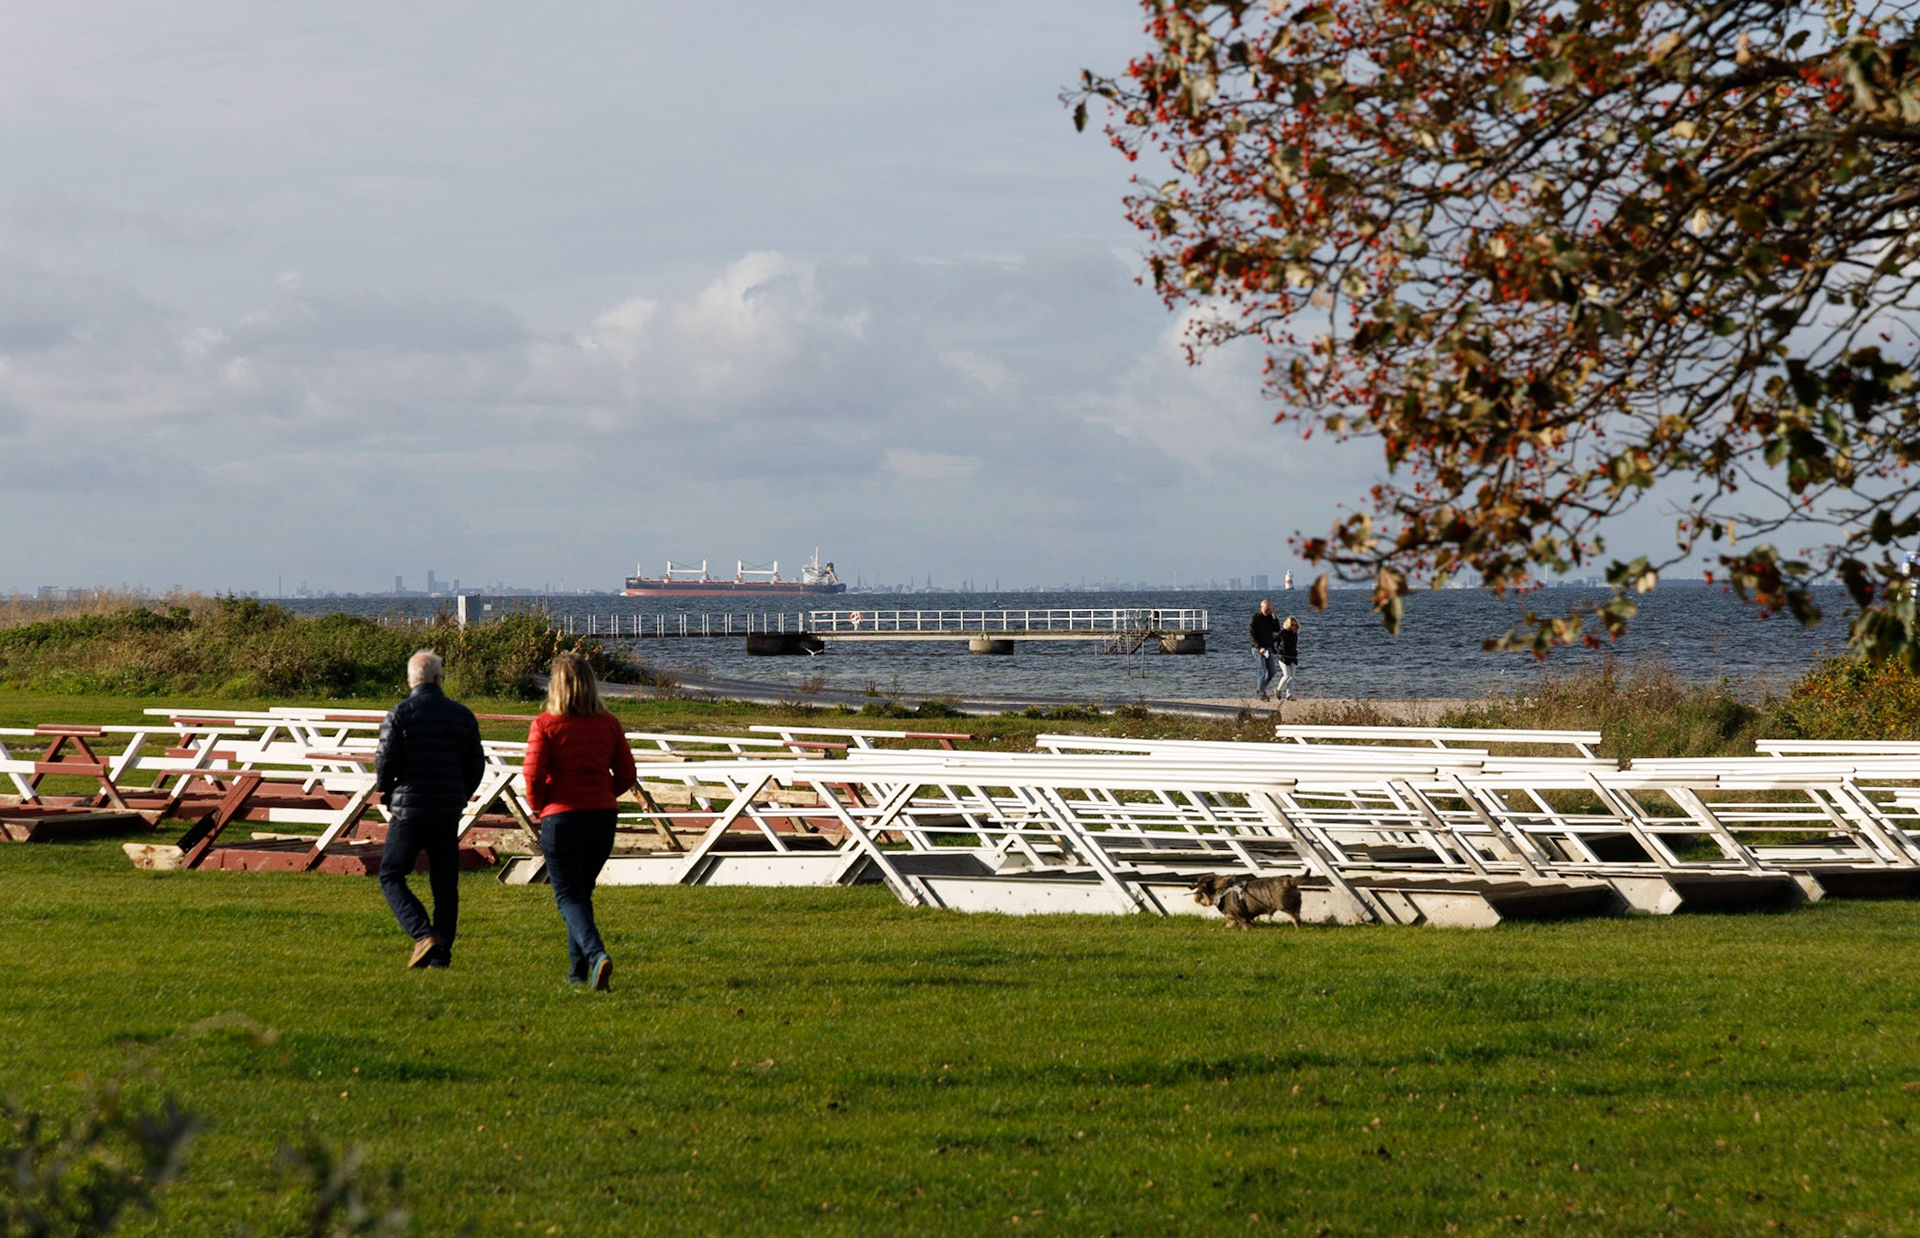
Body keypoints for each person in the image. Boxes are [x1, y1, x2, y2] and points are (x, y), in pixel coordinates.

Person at [523, 652, 636, 991]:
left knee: (568, 895)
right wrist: (605, 793)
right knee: (581, 894)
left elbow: (533, 775)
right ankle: (577, 974)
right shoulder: (610, 723)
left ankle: (597, 955)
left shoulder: (545, 724)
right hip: (602, 818)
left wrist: (539, 805)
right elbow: (628, 774)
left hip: (562, 817)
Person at [375, 649, 485, 969]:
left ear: (411, 681)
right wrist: (460, 794)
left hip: (408, 809)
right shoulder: (463, 715)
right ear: (438, 679)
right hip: (447, 810)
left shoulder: (400, 713)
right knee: (445, 884)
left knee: (391, 874)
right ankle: (441, 955)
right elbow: (476, 765)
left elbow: (384, 763)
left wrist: (387, 791)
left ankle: (423, 934)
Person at [1249, 599, 1283, 699]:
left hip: (1269, 648)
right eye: (1266, 609)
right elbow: (1252, 635)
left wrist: (1274, 616)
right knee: (1262, 672)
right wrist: (1259, 647)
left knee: (1272, 671)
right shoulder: (1255, 619)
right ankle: (1261, 694)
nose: (1267, 611)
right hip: (1258, 649)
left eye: (1269, 609)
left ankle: (1260, 688)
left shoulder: (1269, 617)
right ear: (1261, 608)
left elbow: (1277, 629)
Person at [1275, 615, 1301, 701]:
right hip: (1283, 656)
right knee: (1287, 675)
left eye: (1295, 625)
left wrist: (1295, 653)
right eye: (1292, 625)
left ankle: (1289, 695)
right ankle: (1278, 690)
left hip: (1292, 656)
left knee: (1292, 677)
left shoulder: (1295, 634)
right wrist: (1276, 650)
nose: (1294, 627)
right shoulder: (1283, 633)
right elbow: (1273, 639)